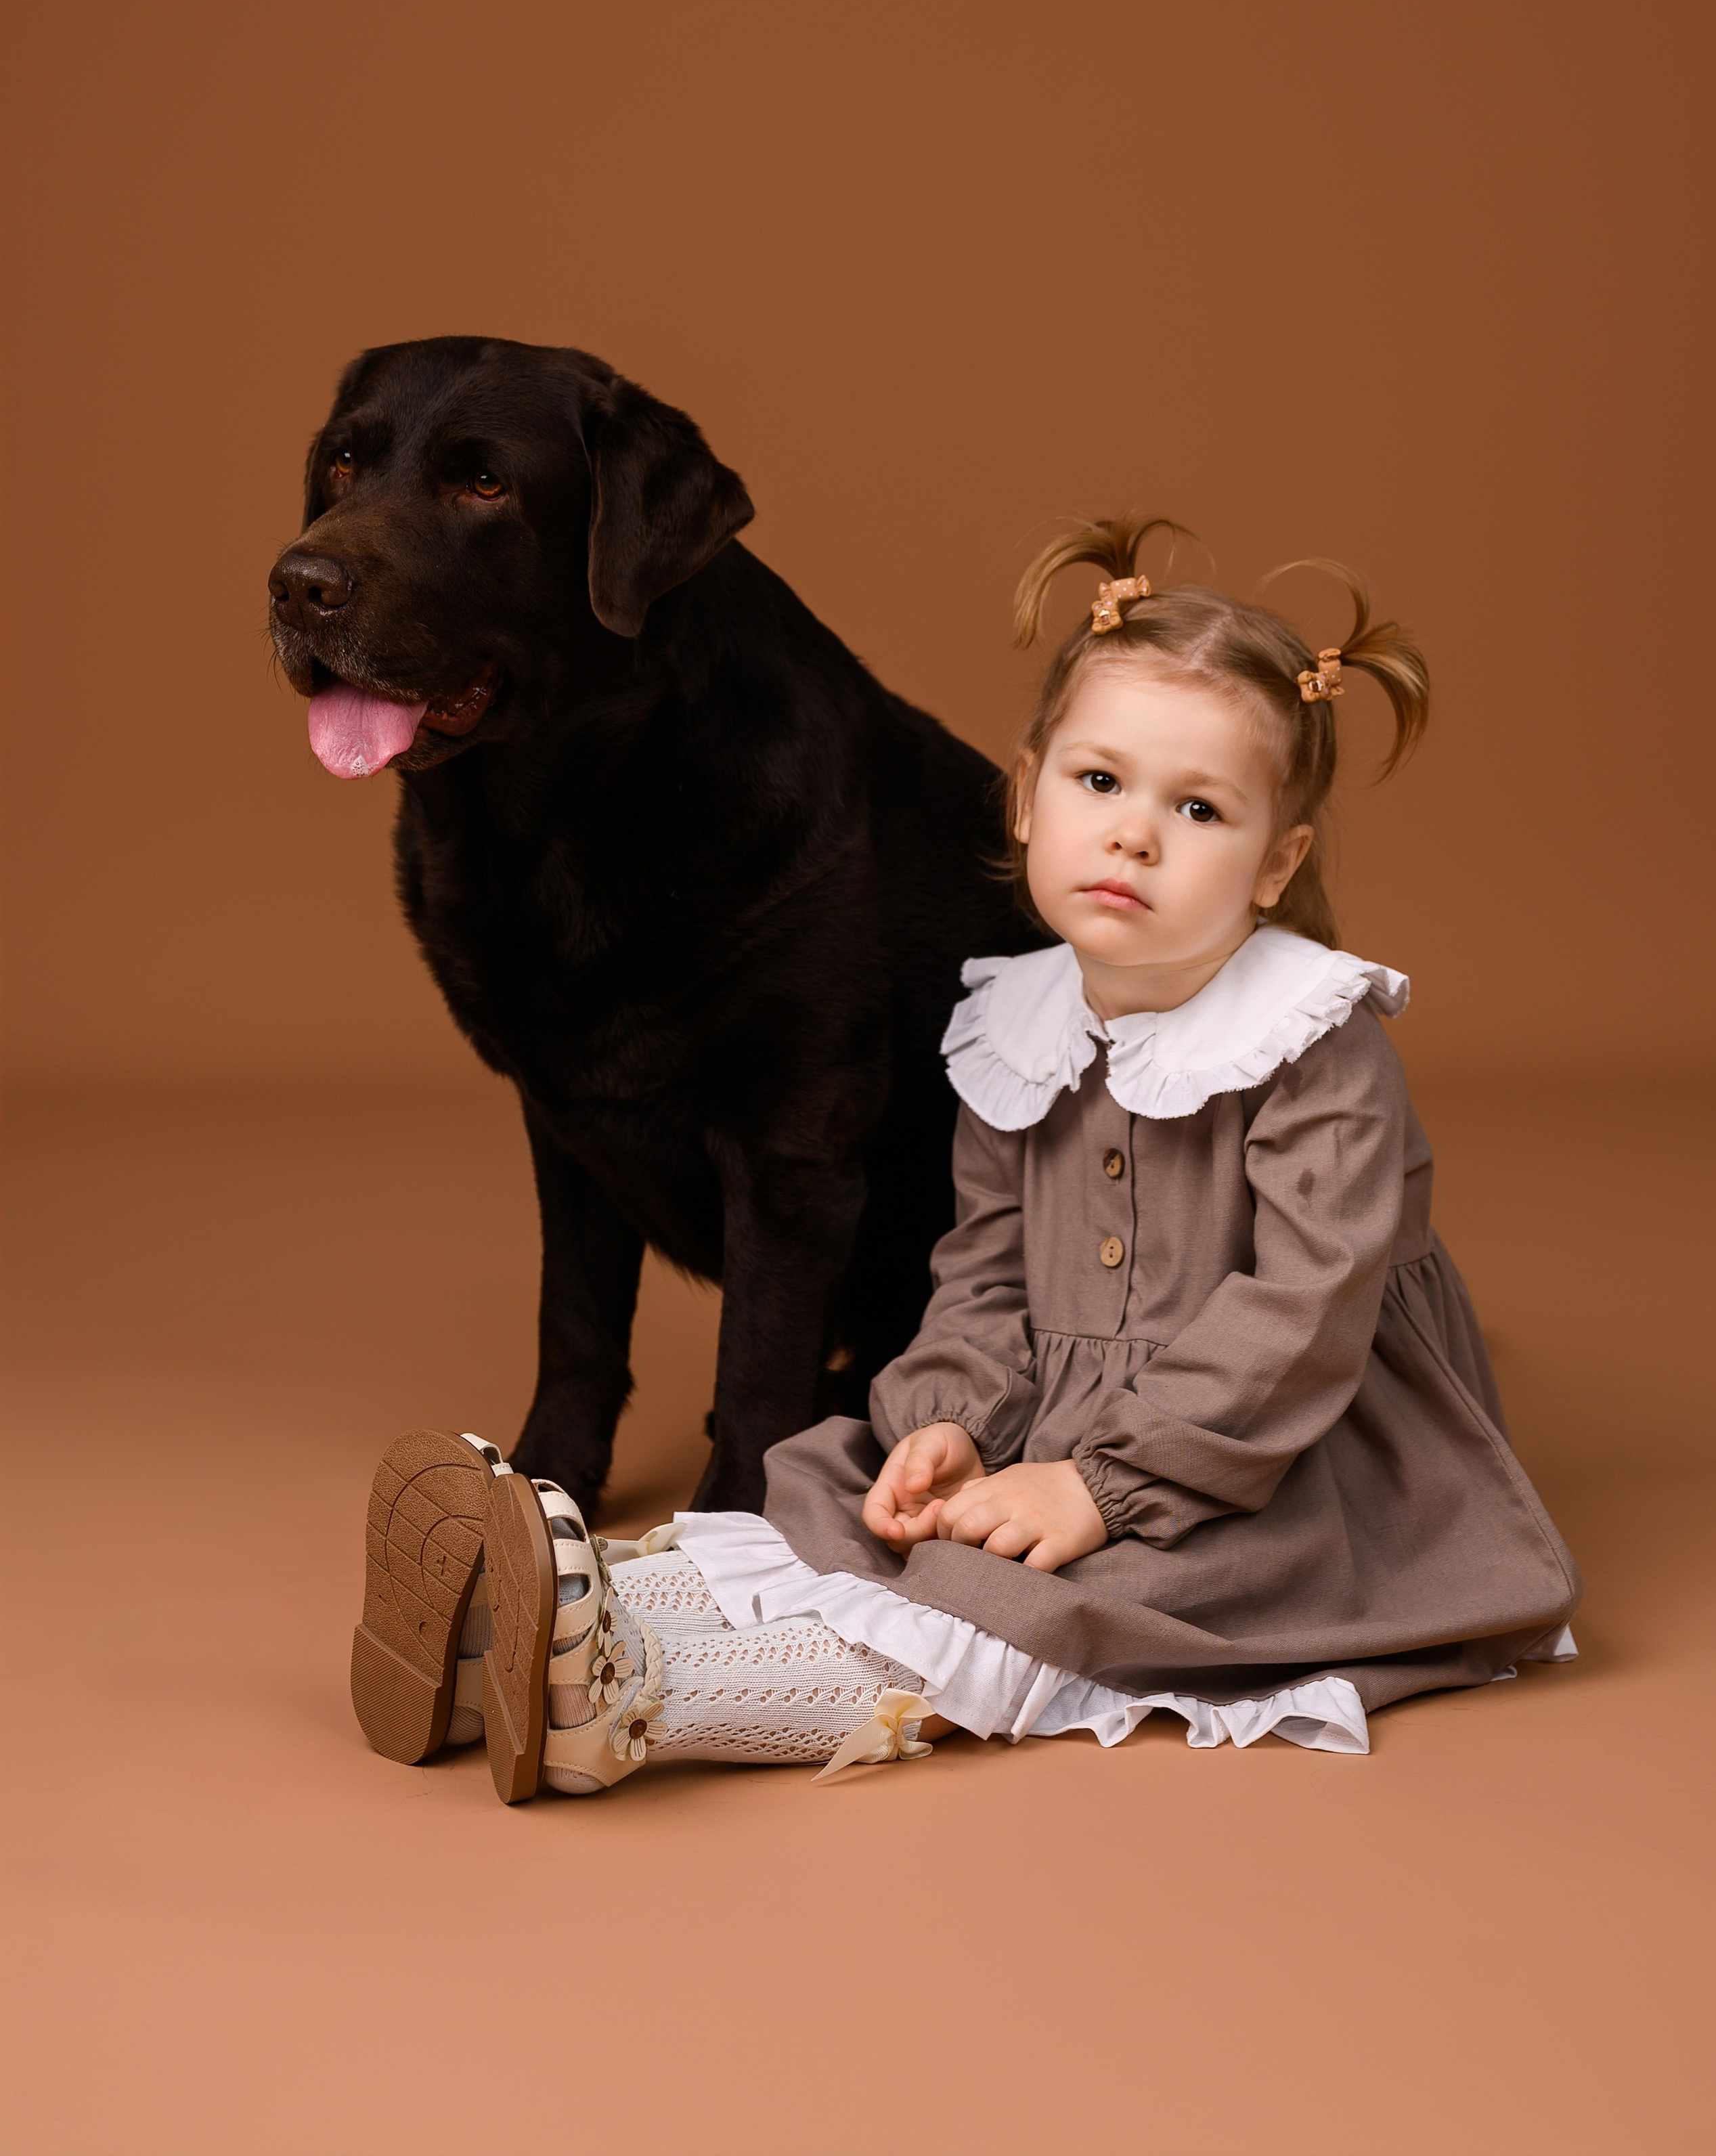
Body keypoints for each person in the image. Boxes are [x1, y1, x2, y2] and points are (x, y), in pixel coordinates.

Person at [350, 517, 1579, 1802]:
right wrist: (948, 1418)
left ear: (1277, 863)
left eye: (1198, 808)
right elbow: (984, 1275)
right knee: (834, 1484)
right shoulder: (1018, 1023)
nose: (1134, 837)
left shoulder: (1311, 1046)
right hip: (1070, 1409)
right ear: (1028, 793)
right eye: (1100, 785)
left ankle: (630, 1697)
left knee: (1029, 1597)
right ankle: (515, 1612)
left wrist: (1102, 1487)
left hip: (1265, 1446)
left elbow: (1302, 1319)